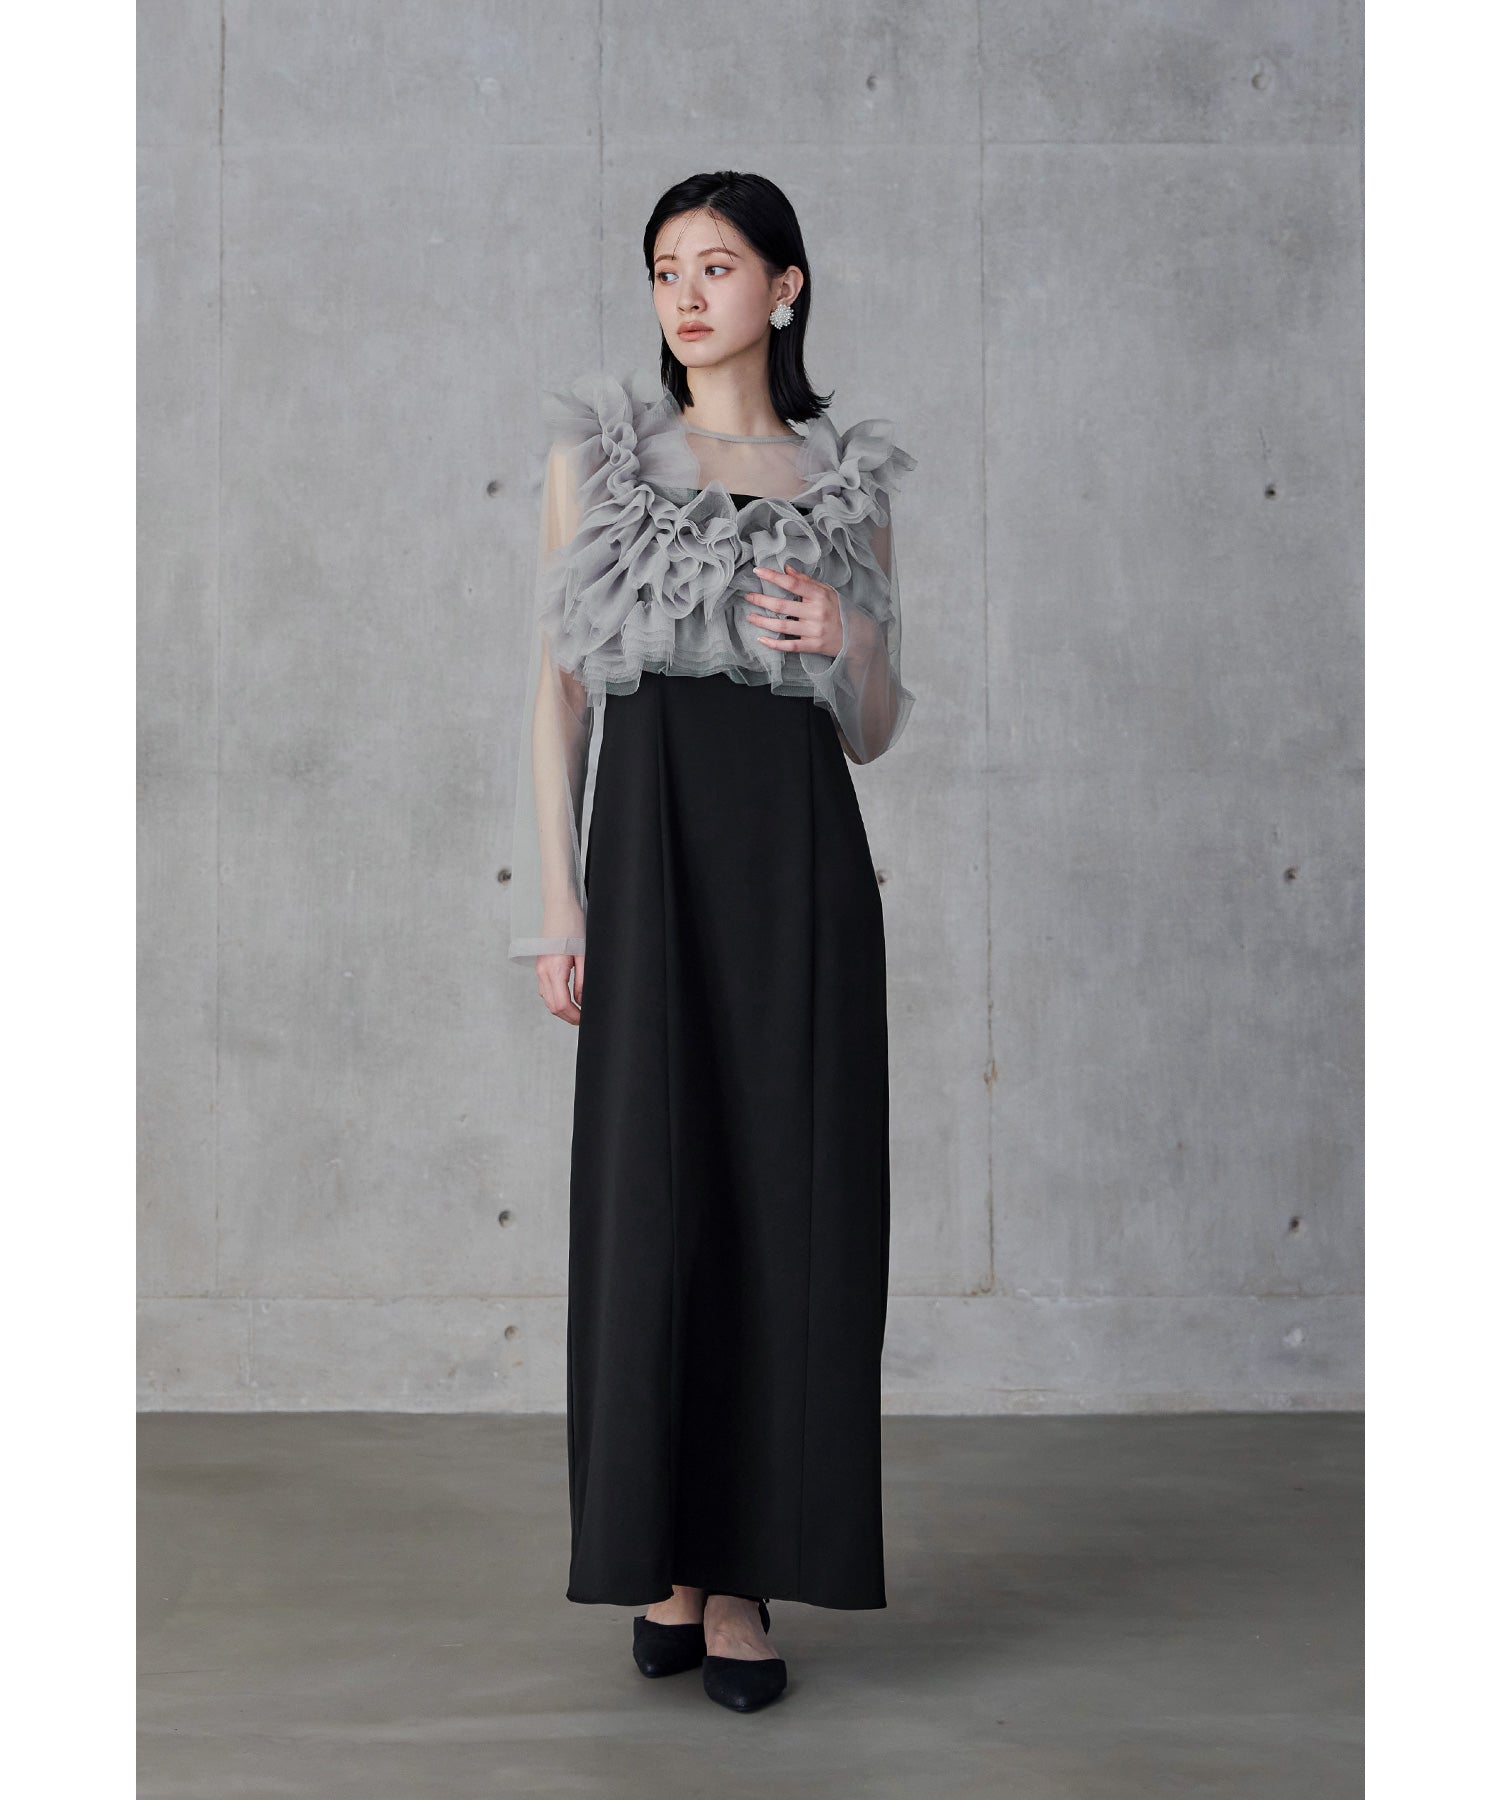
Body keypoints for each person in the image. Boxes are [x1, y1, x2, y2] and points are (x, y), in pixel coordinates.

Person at [506, 170, 916, 1713]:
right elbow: (556, 693)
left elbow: (874, 729)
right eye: (667, 269)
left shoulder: (842, 480)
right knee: (652, 1209)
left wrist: (849, 638)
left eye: (720, 265)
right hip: (649, 861)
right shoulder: (601, 465)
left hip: (800, 870)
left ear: (785, 287)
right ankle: (659, 1562)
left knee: (787, 1209)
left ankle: (740, 1582)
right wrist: (562, 906)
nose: (688, 294)